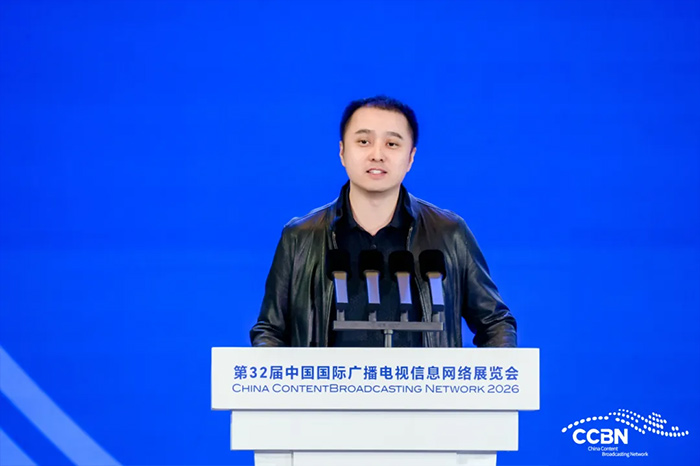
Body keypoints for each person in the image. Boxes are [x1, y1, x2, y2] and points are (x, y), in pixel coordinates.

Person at [250, 95, 516, 348]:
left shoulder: (448, 233)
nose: (377, 154)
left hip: (420, 383)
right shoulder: (300, 236)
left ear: (410, 157)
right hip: (331, 384)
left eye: (392, 144)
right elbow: (270, 330)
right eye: (364, 141)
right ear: (342, 152)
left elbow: (495, 323)